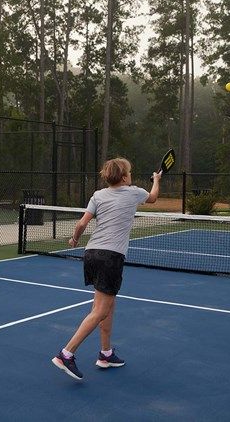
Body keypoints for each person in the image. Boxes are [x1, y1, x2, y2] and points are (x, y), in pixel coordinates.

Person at [51, 158, 161, 381]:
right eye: (130, 172)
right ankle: (66, 354)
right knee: (101, 310)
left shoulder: (98, 195)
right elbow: (153, 197)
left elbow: (81, 224)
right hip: (111, 257)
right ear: (124, 177)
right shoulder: (134, 192)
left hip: (91, 253)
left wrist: (74, 240)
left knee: (107, 305)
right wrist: (157, 180)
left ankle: (106, 353)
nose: (131, 175)